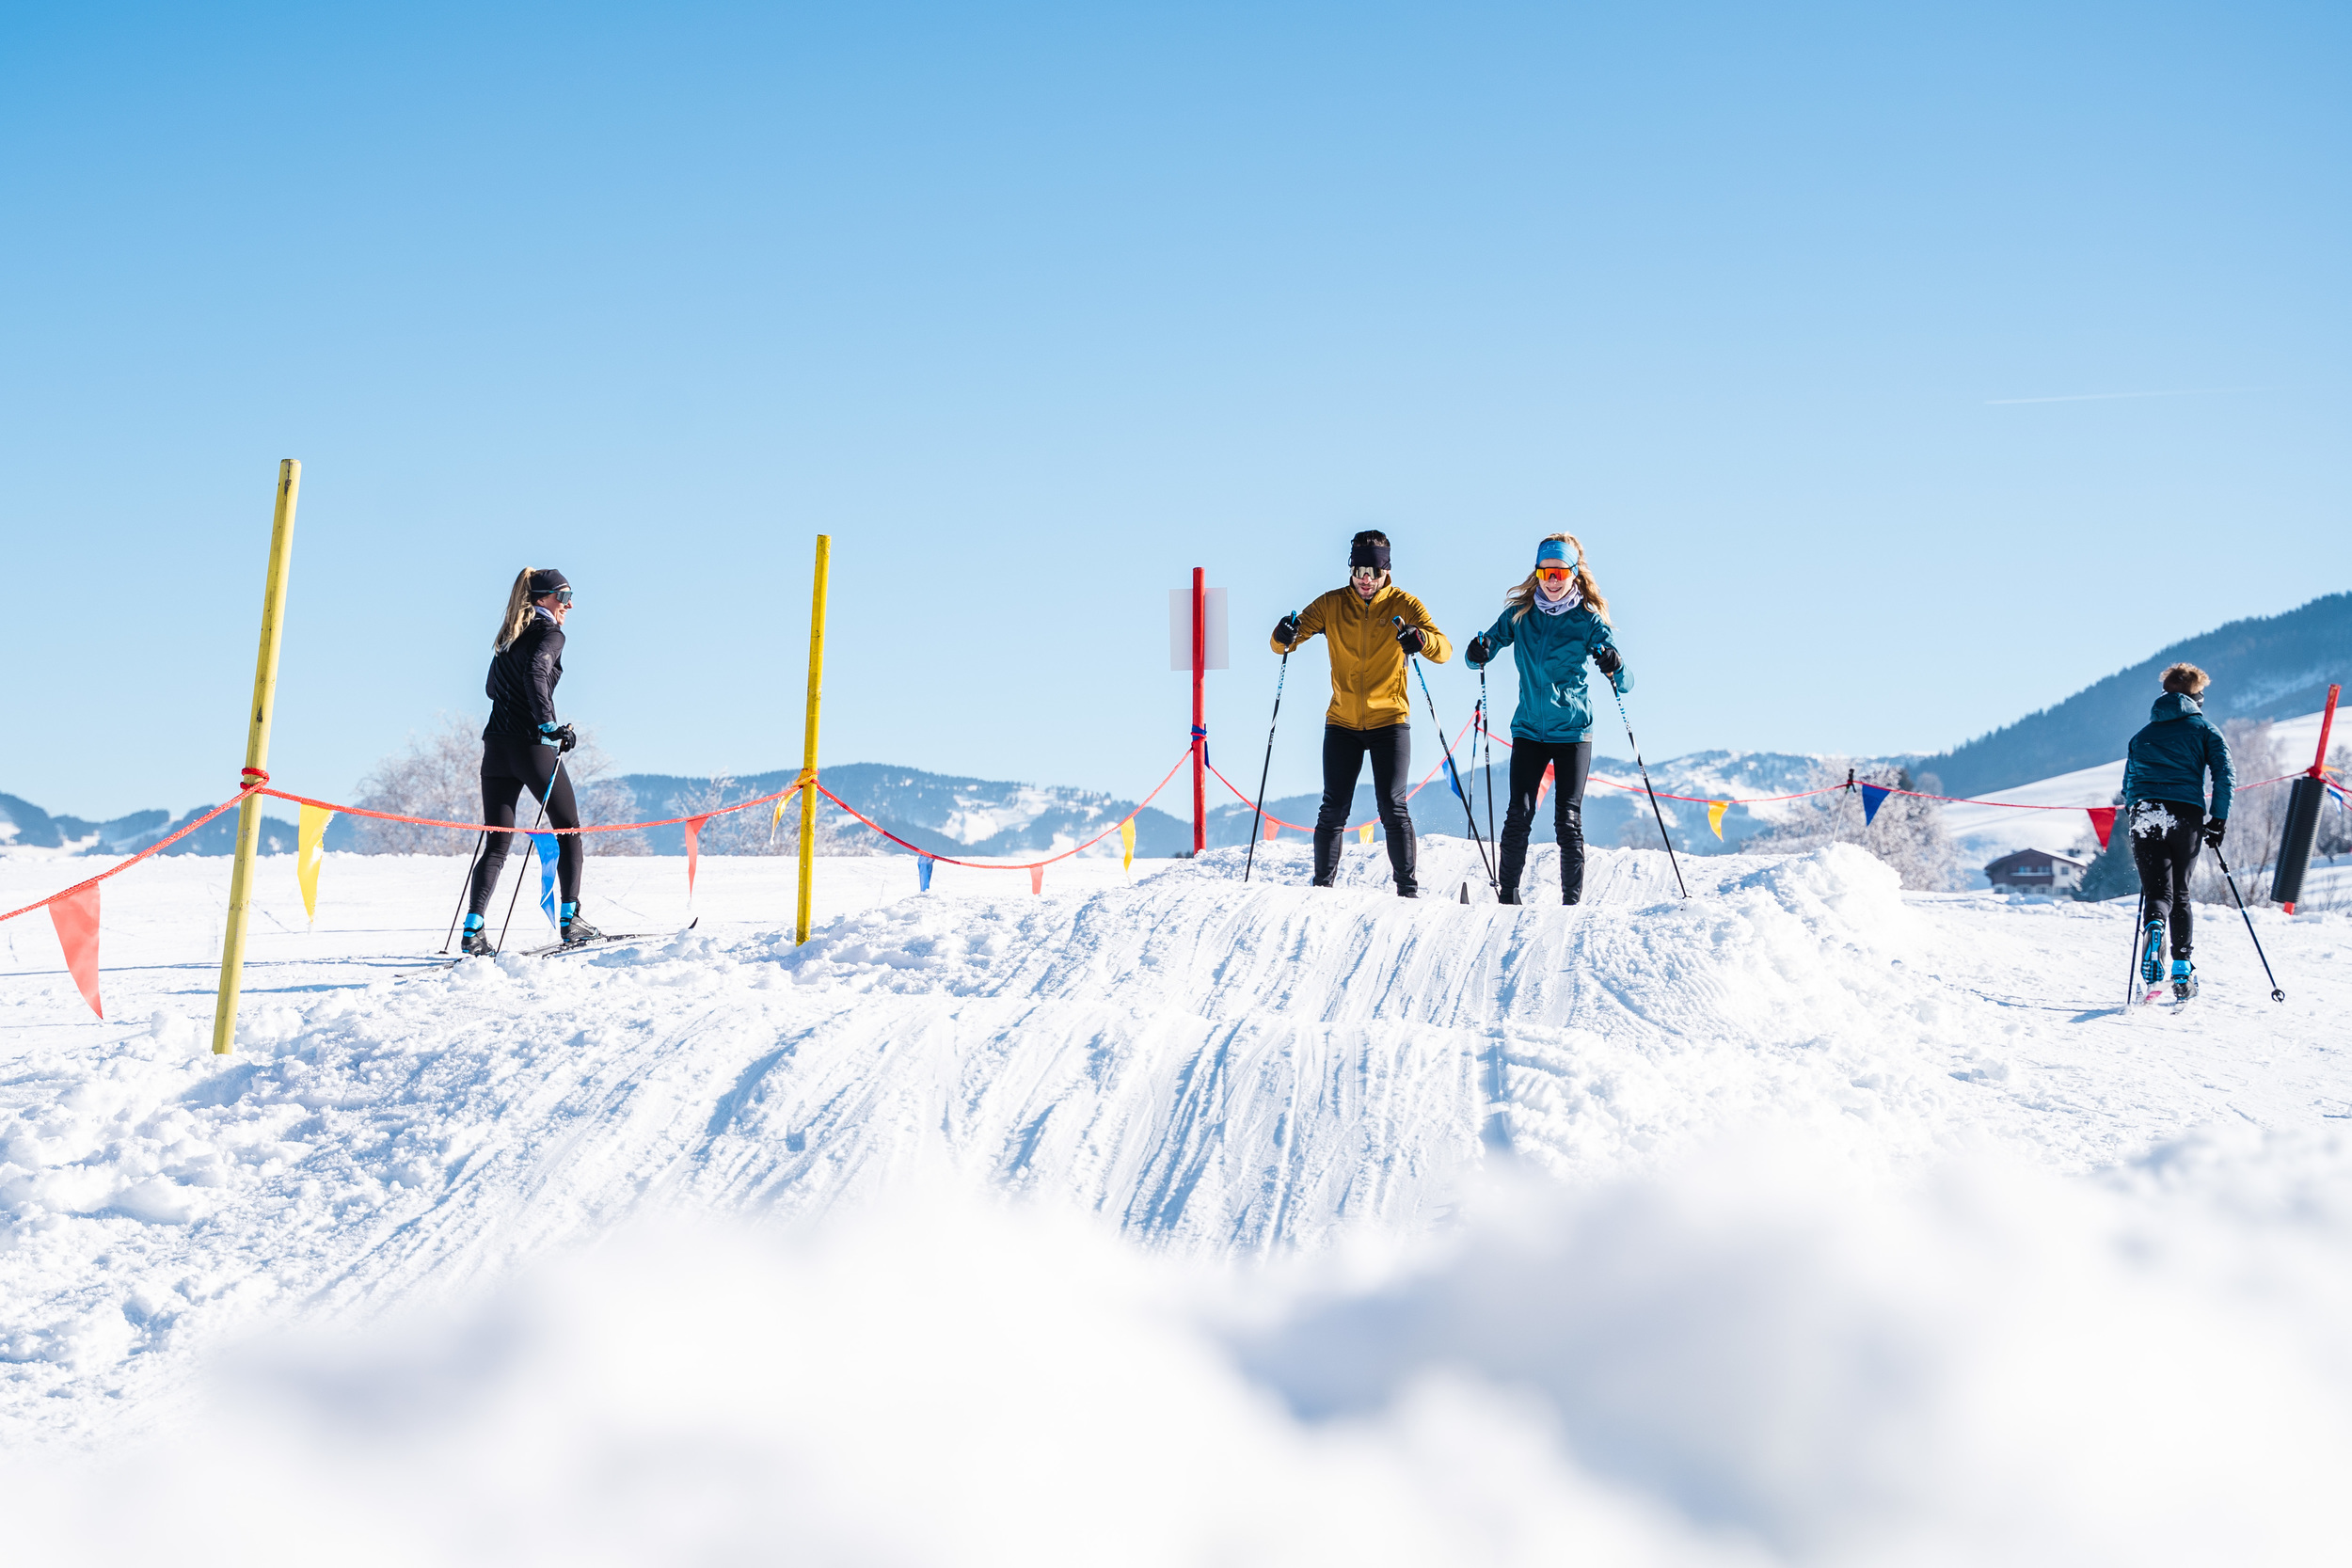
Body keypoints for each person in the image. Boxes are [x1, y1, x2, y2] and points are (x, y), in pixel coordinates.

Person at [1271, 530, 1452, 896]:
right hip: (1343, 722)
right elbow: (1283, 644)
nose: (1365, 580)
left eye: (1372, 572)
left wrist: (1420, 639)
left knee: (1392, 805)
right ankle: (1322, 887)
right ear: (1350, 569)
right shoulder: (1332, 604)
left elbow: (1442, 650)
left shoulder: (1404, 605)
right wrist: (1283, 633)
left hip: (1390, 721)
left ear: (1386, 570)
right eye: (1358, 571)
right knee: (1333, 807)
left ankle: (1408, 890)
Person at [1463, 533, 1628, 906]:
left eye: (1559, 572)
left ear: (1573, 574)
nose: (1552, 580)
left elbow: (1626, 682)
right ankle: (1508, 897)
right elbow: (1477, 657)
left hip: (1572, 733)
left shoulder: (1587, 621)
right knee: (1518, 814)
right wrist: (1478, 651)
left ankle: (1571, 903)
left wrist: (1614, 665)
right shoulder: (1520, 615)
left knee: (1567, 819)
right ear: (1537, 573)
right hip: (1529, 731)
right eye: (1545, 572)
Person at [461, 567, 600, 954]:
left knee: (497, 841)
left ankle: (473, 930)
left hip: (496, 748)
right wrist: (550, 725)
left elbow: (491, 688)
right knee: (568, 829)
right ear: (542, 599)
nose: (569, 605)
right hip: (532, 747)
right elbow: (537, 673)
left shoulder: (508, 637)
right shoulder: (549, 633)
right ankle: (571, 921)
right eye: (563, 596)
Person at [2120, 662, 2233, 1000]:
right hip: (2185, 814)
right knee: (2180, 894)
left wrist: (2136, 810)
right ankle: (2182, 969)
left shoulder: (2141, 736)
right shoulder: (2205, 730)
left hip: (2145, 813)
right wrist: (2218, 819)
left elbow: (2128, 786)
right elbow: (2224, 774)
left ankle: (2154, 927)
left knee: (2158, 894)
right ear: (2195, 697)